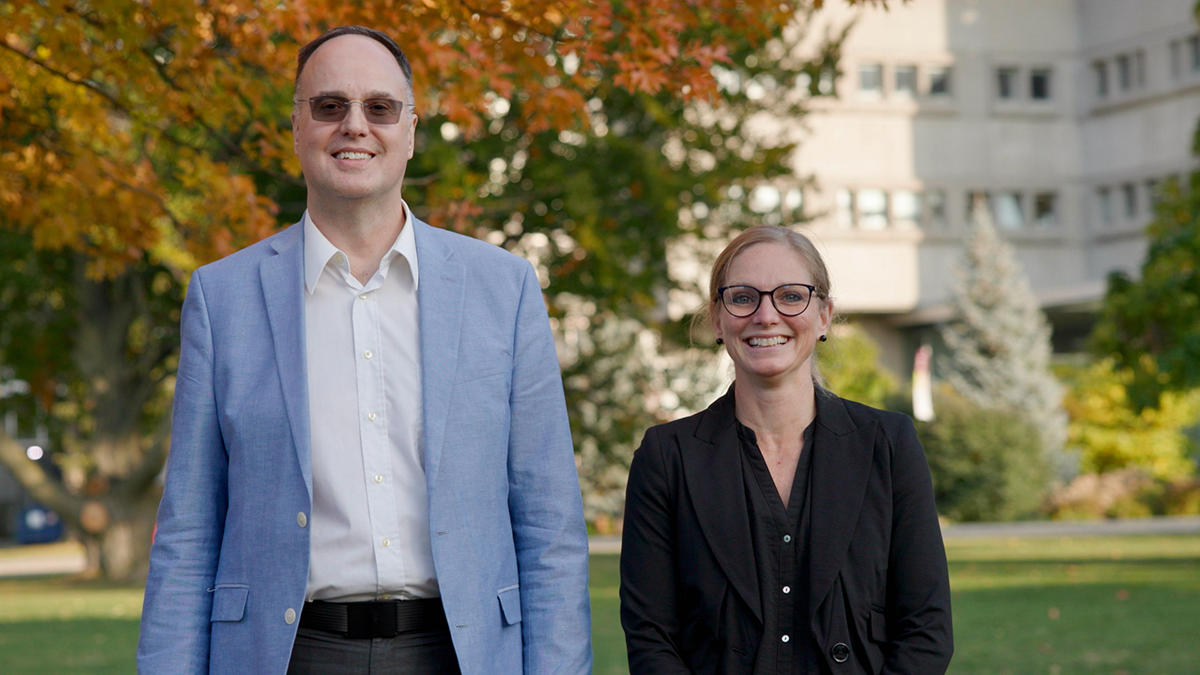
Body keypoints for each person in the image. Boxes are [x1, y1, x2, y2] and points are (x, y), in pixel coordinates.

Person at [138, 26, 591, 675]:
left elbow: (550, 528)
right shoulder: (222, 297)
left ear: (410, 130)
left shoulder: (504, 288)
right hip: (286, 653)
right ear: (296, 127)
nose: (355, 125)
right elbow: (188, 530)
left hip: (462, 653)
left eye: (380, 108)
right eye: (329, 107)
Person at [619, 225, 952, 674]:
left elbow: (926, 631)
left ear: (825, 315)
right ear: (718, 319)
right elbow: (650, 639)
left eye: (791, 296)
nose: (766, 315)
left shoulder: (888, 445)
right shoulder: (667, 458)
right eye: (742, 297)